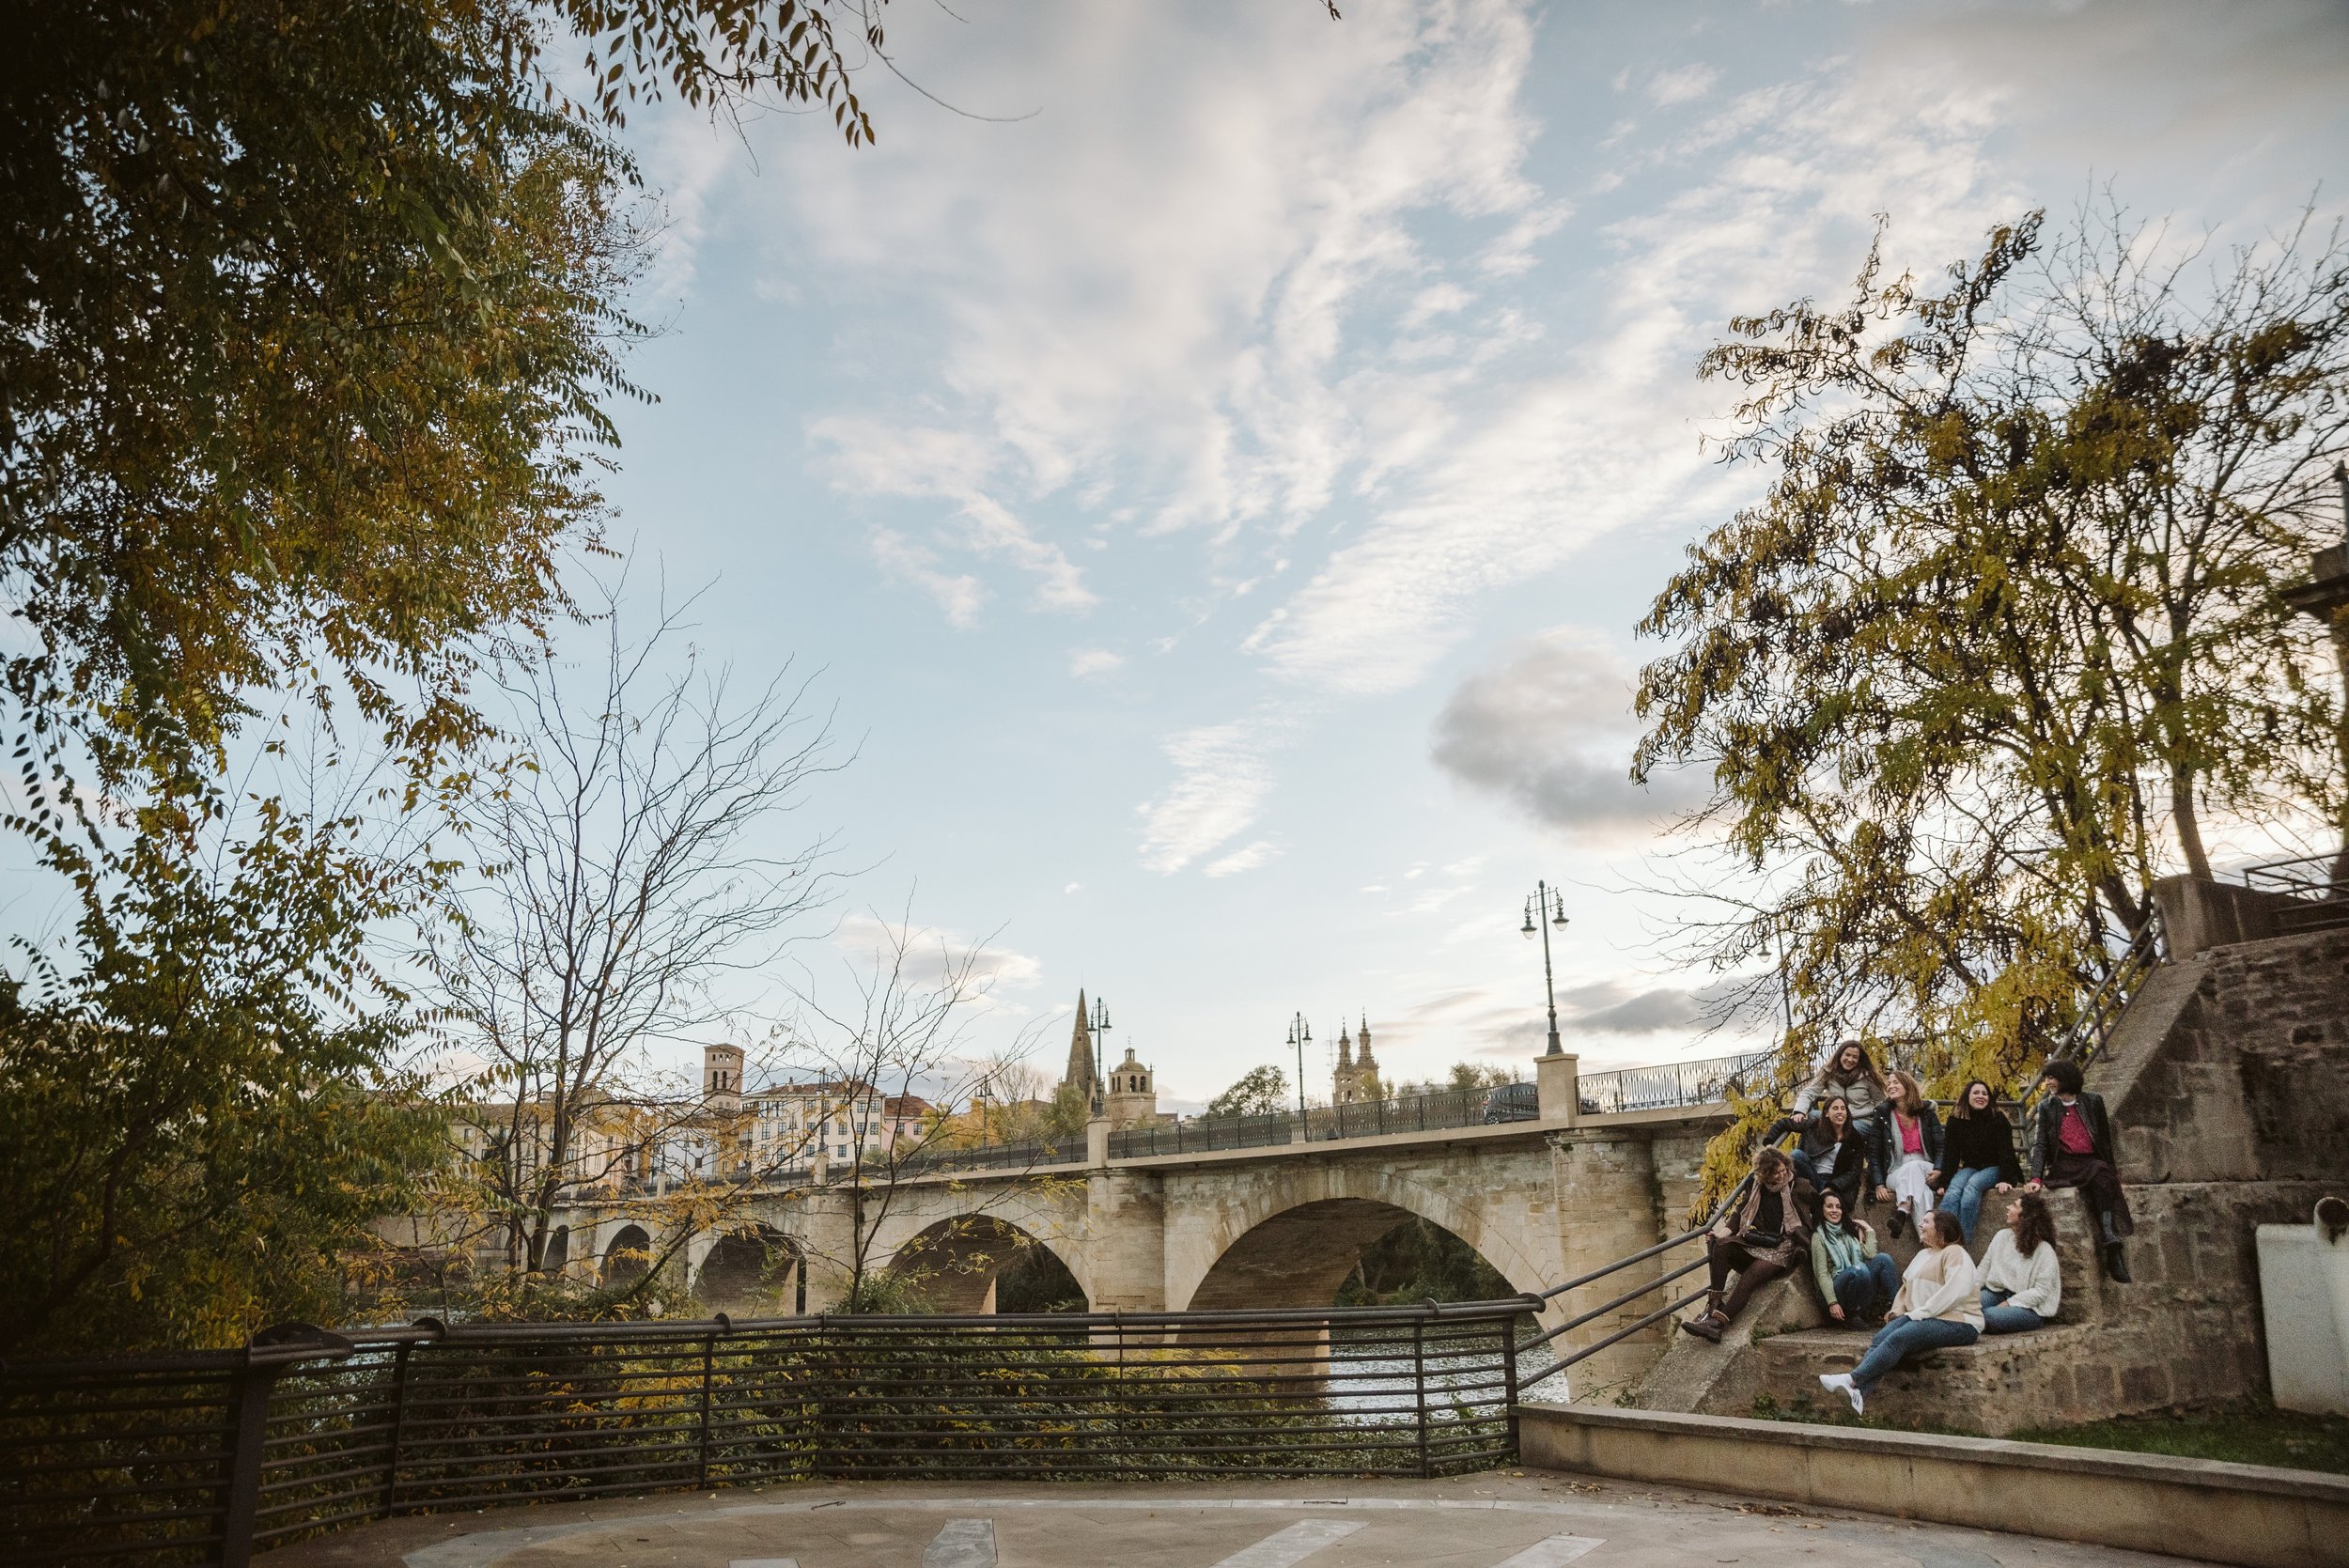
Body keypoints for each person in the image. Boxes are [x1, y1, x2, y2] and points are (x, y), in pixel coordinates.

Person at [1817, 1208, 1982, 1415]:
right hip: (1924, 1316)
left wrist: (1921, 1314)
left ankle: (1852, 1379)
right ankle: (1857, 1395)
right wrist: (1897, 1311)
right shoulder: (1923, 1255)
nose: (1921, 1225)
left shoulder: (1955, 1252)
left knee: (1900, 1338)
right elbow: (1906, 1288)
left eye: (1926, 1222)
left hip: (1960, 1323)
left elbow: (1956, 1291)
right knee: (1880, 1338)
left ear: (1941, 1229)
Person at [1682, 1146, 1812, 1343]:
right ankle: (1713, 1307)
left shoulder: (1798, 1185)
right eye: (1776, 1173)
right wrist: (1721, 1234)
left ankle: (1717, 1324)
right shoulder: (1756, 1185)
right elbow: (1740, 1212)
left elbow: (1819, 1206)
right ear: (1765, 1175)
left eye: (1783, 1170)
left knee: (1750, 1277)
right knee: (1722, 1246)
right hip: (1760, 1241)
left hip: (1784, 1246)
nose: (1782, 1175)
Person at [2026, 1058, 2134, 1282]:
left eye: (2052, 1078)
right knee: (2099, 1172)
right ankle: (2109, 1237)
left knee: (2103, 1176)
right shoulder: (2047, 1107)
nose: (2047, 1083)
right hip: (2064, 1163)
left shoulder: (2093, 1101)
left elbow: (2104, 1141)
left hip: (2091, 1161)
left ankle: (2110, 1240)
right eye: (2046, 1078)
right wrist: (2036, 1176)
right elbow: (2041, 1144)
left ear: (2066, 1078)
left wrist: (2113, 1170)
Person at [1933, 1079, 2021, 1245]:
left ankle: (1962, 1244)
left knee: (1971, 1187)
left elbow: (2006, 1151)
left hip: (1995, 1167)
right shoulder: (1956, 1120)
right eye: (1976, 1093)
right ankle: (1942, 1239)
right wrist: (1943, 1182)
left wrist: (2006, 1179)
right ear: (1967, 1096)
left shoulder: (1998, 1119)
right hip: (1971, 1167)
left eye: (1984, 1093)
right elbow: (1951, 1153)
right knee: (1953, 1190)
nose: (1980, 1096)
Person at [1809, 1188, 1899, 1327]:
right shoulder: (1818, 1237)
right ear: (1821, 1209)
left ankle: (1898, 1309)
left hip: (1858, 1289)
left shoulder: (1848, 1232)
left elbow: (1870, 1254)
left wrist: (1868, 1229)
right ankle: (1850, 1315)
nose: (1834, 1210)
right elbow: (1822, 1274)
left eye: (1838, 1207)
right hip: (1835, 1295)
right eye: (1829, 1206)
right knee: (1859, 1269)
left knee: (1883, 1259)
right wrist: (1832, 1303)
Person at [1871, 1070, 1943, 1240]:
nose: (1891, 1086)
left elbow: (1941, 1146)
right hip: (1895, 1171)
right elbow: (1873, 1153)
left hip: (1926, 1167)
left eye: (1896, 1082)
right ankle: (1928, 1239)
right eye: (1889, 1083)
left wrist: (1939, 1169)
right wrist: (1879, 1184)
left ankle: (1903, 1210)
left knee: (1914, 1168)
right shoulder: (1883, 1115)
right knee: (1923, 1191)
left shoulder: (1926, 1113)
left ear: (1908, 1086)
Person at [1979, 1190, 2061, 1333]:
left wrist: (2009, 1303)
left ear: (2026, 1216)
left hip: (2029, 1307)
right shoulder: (2001, 1236)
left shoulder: (2044, 1250)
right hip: (1996, 1293)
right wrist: (1967, 1295)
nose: (2008, 1208)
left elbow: (2041, 1291)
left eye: (2015, 1206)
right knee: (1963, 1306)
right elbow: (1982, 1270)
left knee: (1989, 1316)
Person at [1792, 1094, 1870, 1224]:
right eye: (1835, 1108)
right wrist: (1797, 1114)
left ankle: (1820, 1203)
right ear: (1827, 1113)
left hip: (1835, 1182)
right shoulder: (1816, 1129)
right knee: (1796, 1155)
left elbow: (1855, 1172)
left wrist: (1832, 1187)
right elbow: (1786, 1124)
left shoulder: (1855, 1138)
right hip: (1814, 1178)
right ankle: (1817, 1200)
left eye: (1843, 1108)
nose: (1840, 1112)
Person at [1791, 1039, 1889, 1135]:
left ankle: (1832, 1148)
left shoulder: (1867, 1076)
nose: (1850, 1059)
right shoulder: (1829, 1073)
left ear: (1859, 1060)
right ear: (1840, 1055)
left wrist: (1881, 1128)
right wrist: (1800, 1111)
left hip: (1861, 1120)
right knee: (1812, 1116)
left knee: (1847, 1131)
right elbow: (1809, 1092)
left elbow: (1880, 1102)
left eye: (1855, 1057)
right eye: (1847, 1055)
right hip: (1837, 1118)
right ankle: (1811, 1149)